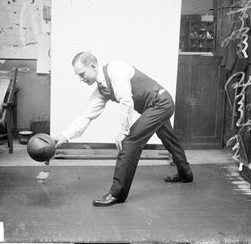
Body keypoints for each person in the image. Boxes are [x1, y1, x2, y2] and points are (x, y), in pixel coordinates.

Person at [52, 51, 193, 207]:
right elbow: (87, 116)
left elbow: (126, 100)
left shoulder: (114, 69)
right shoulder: (101, 89)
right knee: (168, 138)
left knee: (129, 142)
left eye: (82, 74)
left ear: (92, 66)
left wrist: (124, 131)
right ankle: (185, 174)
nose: (81, 79)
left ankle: (117, 194)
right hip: (155, 106)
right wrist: (63, 136)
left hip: (160, 103)